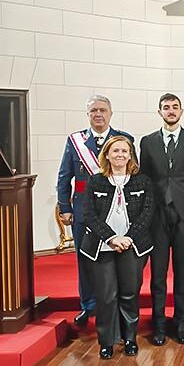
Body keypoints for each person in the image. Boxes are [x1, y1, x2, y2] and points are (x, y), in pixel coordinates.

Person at [57, 94, 133, 326]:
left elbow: (133, 174)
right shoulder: (75, 141)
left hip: (116, 211)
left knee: (119, 261)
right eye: (94, 111)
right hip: (83, 210)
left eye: (103, 110)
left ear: (111, 113)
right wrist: (65, 207)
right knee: (86, 258)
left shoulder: (124, 139)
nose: (98, 114)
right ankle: (88, 305)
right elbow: (64, 176)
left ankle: (119, 305)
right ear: (88, 114)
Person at [139, 93, 184, 346]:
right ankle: (158, 326)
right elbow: (144, 179)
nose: (170, 111)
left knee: (181, 273)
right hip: (157, 217)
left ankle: (180, 324)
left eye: (174, 107)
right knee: (158, 275)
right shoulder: (147, 142)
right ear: (159, 112)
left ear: (180, 112)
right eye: (166, 107)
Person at [81, 136, 153, 359]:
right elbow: (89, 215)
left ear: (130, 155)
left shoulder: (143, 181)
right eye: (115, 151)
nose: (120, 155)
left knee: (130, 293)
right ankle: (107, 341)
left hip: (133, 245)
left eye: (124, 151)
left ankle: (129, 338)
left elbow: (147, 213)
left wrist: (129, 238)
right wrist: (111, 238)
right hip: (102, 247)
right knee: (106, 295)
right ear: (107, 155)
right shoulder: (95, 181)